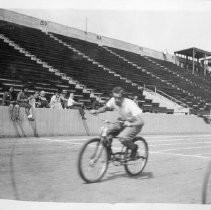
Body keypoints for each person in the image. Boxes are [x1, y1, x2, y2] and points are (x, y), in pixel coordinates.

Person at [90, 87, 144, 159]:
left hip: (134, 124)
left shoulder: (130, 104)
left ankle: (134, 148)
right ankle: (109, 154)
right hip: (123, 121)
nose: (117, 100)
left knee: (122, 138)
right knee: (106, 131)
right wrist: (97, 111)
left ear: (123, 97)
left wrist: (130, 124)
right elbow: (106, 107)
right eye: (115, 97)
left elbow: (141, 122)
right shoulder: (113, 100)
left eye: (119, 98)